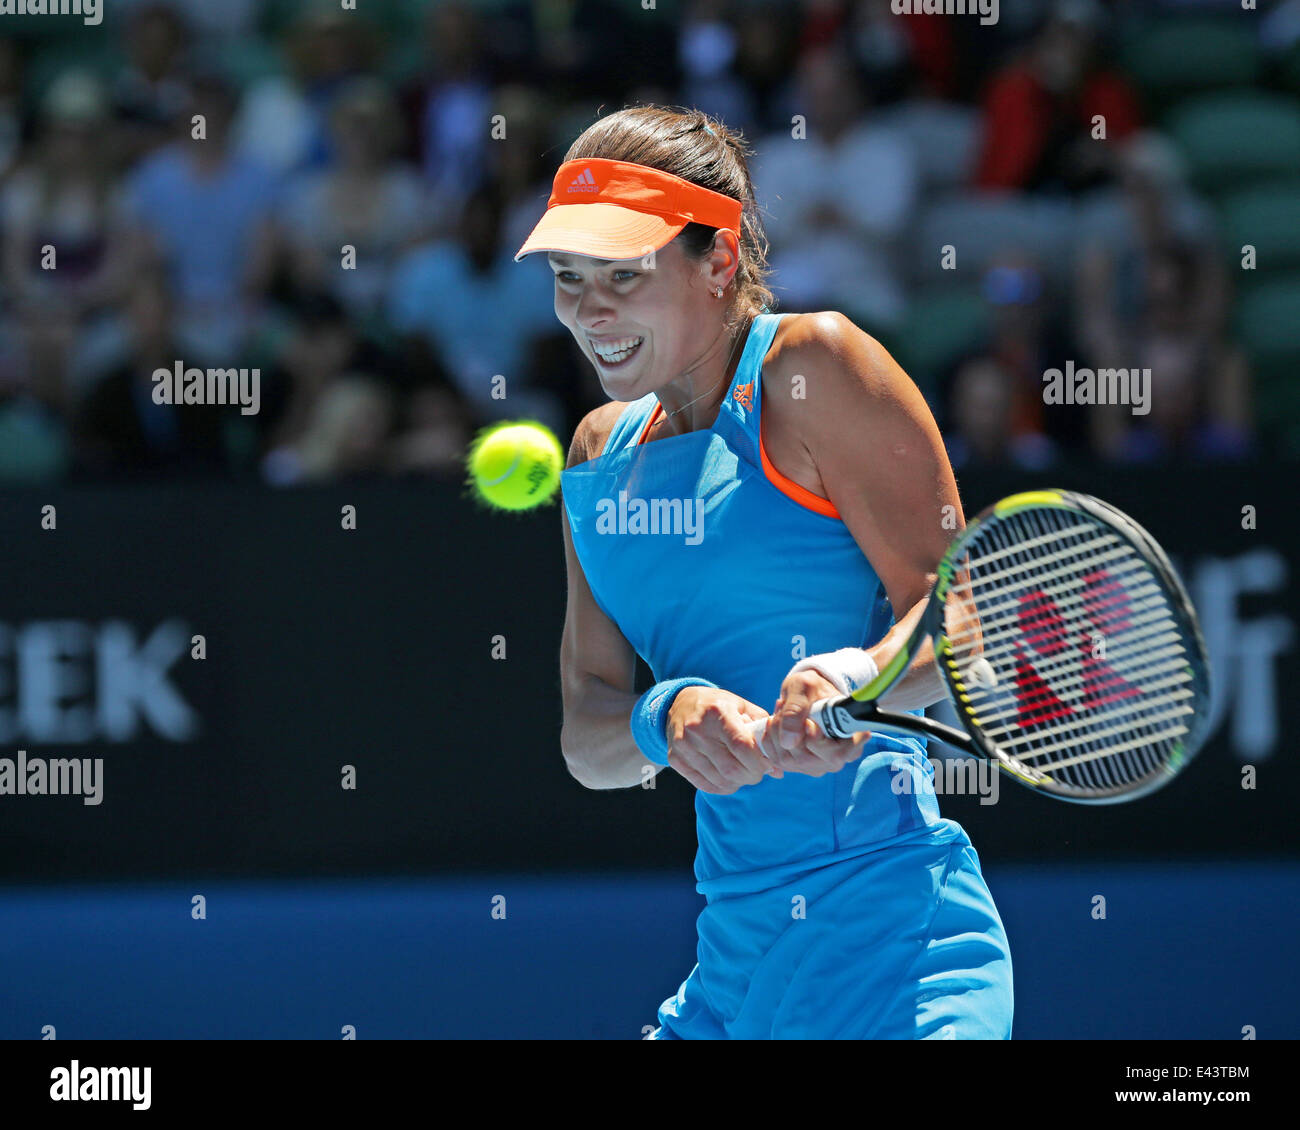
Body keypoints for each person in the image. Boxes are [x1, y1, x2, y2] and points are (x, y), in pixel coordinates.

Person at [515, 106, 1013, 1040]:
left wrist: (852, 677)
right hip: (730, 981)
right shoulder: (594, 455)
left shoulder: (811, 367)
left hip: (899, 958)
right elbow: (587, 735)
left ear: (718, 259)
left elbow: (958, 623)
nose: (590, 310)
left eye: (624, 276)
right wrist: (666, 719)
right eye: (569, 279)